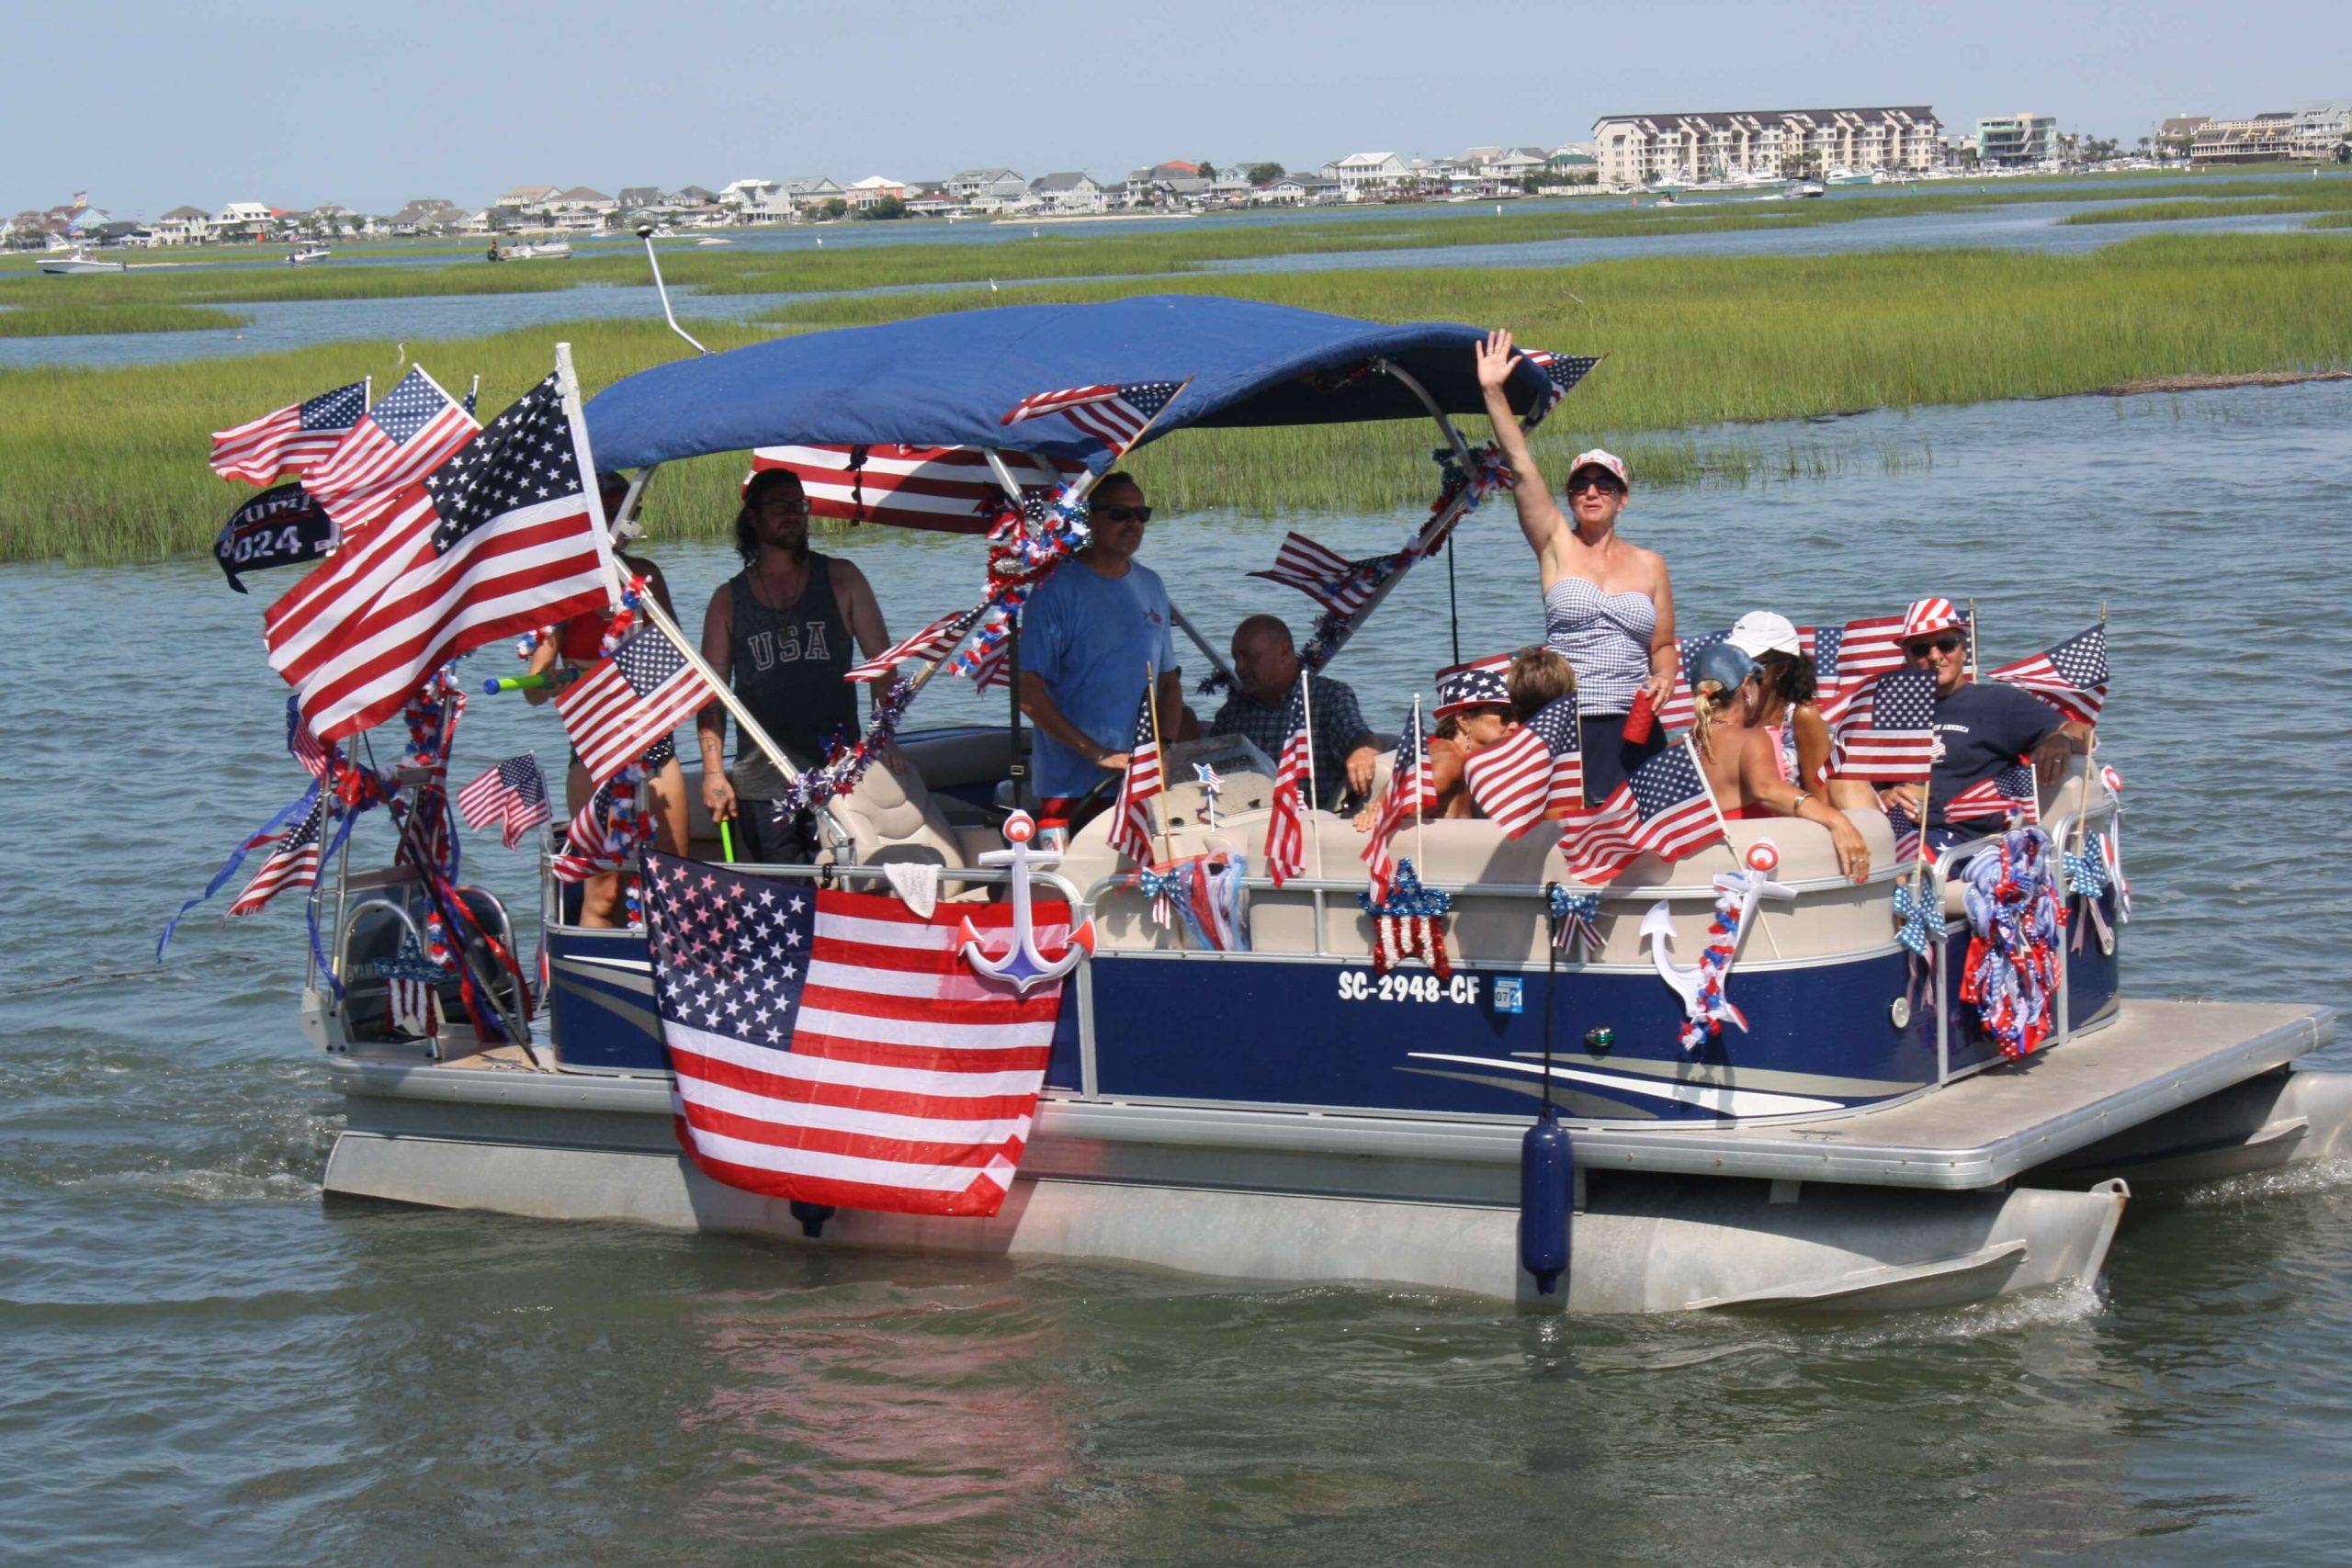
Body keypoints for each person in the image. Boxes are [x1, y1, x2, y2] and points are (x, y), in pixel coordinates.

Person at [1474, 330, 1678, 805]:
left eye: (1604, 485)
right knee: (1575, 829)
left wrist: (1665, 675)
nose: (1591, 492)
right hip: (1568, 719)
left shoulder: (1650, 564)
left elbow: (1663, 646)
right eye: (1580, 484)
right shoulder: (1556, 545)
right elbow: (1521, 464)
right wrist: (1493, 392)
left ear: (1622, 499)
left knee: (1641, 833)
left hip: (1634, 720)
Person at [696, 468, 892, 862]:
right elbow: (710, 697)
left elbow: (883, 666)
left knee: (844, 898)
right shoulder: (727, 600)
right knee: (788, 903)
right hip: (764, 785)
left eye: (799, 505)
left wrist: (881, 741)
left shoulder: (842, 578)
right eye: (780, 505)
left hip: (839, 777)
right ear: (752, 517)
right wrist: (714, 773)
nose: (793, 514)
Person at [524, 472, 689, 927]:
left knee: (669, 882)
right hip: (595, 750)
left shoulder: (645, 576)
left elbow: (678, 659)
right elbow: (536, 688)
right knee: (605, 891)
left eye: (625, 514)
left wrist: (630, 619)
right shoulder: (564, 588)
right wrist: (562, 673)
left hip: (654, 743)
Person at [1826, 598, 2095, 854]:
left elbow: (2083, 733)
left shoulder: (1999, 702)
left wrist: (2062, 738)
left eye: (1946, 645)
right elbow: (1869, 783)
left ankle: (1899, 885)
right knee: (1841, 782)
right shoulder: (1892, 709)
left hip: (1967, 841)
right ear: (1906, 655)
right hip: (1900, 831)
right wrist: (1885, 795)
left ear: (1963, 648)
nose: (1935, 656)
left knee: (1900, 860)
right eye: (1921, 649)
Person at [1016, 472, 1192, 819]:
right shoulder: (1054, 588)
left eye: (1141, 515)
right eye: (1119, 514)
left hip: (1139, 784)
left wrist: (1165, 748)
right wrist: (1096, 753)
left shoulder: (1152, 584)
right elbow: (1026, 691)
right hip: (1069, 789)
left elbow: (1168, 683)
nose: (1133, 524)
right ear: (1091, 518)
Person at [1686, 642, 1871, 884]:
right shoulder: (1751, 739)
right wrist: (1837, 820)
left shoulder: (1681, 745)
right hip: (1748, 866)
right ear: (1745, 688)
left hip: (1701, 868)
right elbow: (1767, 790)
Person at [1210, 615, 1378, 809]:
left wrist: (1363, 750)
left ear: (1284, 653)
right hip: (1248, 820)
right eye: (1236, 658)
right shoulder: (1233, 713)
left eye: (1250, 658)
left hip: (1312, 823)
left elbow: (1359, 736)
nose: (1240, 667)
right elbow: (1212, 768)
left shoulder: (1329, 697)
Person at [1724, 610, 1832, 792]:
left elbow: (1820, 794)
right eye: (1735, 660)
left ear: (1781, 668)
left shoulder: (1802, 717)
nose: (1741, 671)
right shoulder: (1724, 712)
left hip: (1792, 817)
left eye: (1753, 663)